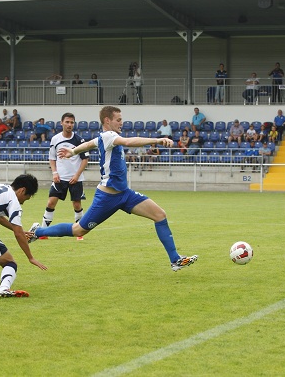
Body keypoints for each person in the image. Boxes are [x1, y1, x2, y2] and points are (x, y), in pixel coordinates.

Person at [28, 105, 198, 272]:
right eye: (119, 119)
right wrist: (158, 140)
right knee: (78, 229)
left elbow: (88, 144)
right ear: (107, 121)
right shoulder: (110, 135)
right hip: (107, 197)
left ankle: (175, 259)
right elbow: (129, 142)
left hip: (125, 194)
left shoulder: (103, 137)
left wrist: (72, 152)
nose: (121, 123)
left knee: (160, 215)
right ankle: (38, 231)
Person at [39, 113, 89, 241]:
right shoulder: (55, 139)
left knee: (77, 205)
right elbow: (52, 158)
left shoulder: (79, 140)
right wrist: (55, 173)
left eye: (72, 122)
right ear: (61, 123)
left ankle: (80, 233)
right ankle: (44, 232)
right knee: (51, 202)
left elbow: (85, 159)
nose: (69, 125)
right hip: (59, 178)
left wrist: (77, 175)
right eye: (67, 122)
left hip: (75, 179)